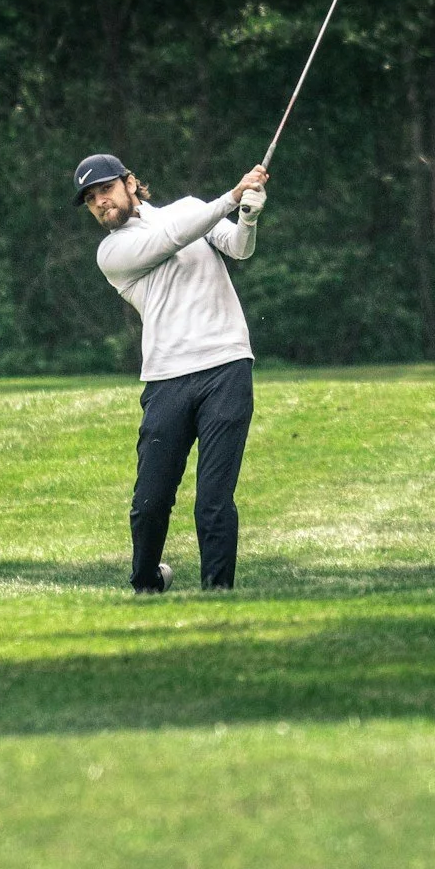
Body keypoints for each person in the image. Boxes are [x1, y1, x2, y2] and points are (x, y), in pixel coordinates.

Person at [75, 151, 270, 592]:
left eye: (105, 189)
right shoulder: (112, 252)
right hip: (166, 378)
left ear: (129, 182)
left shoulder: (188, 209)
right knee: (151, 501)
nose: (100, 202)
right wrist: (230, 197)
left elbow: (237, 248)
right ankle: (147, 582)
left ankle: (218, 591)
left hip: (226, 364)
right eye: (90, 199)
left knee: (214, 498)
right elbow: (170, 239)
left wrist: (248, 217)